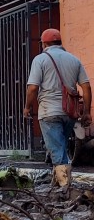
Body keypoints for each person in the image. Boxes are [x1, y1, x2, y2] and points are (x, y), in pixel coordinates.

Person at [23, 28, 91, 194]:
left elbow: (32, 88)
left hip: (49, 112)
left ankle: (64, 190)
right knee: (60, 147)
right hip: (70, 113)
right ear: (60, 42)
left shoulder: (40, 59)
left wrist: (27, 107)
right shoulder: (74, 60)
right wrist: (87, 112)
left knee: (58, 151)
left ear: (44, 43)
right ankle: (59, 182)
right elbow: (86, 87)